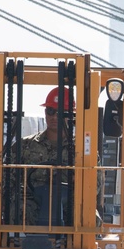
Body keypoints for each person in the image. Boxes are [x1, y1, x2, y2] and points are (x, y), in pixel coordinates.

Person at [20, 87, 77, 226]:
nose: (54, 117)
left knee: (89, 217)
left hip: (69, 203)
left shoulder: (82, 150)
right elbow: (8, 178)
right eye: (50, 111)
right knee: (18, 210)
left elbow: (94, 186)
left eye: (61, 113)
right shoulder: (26, 145)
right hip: (33, 201)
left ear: (71, 116)